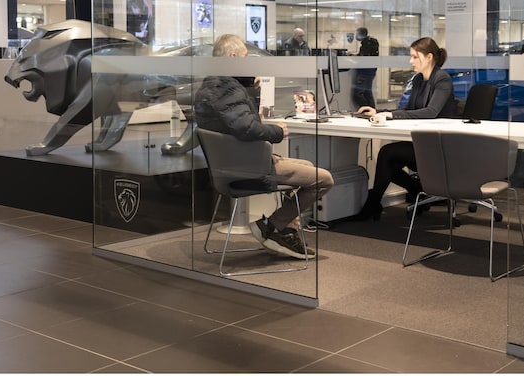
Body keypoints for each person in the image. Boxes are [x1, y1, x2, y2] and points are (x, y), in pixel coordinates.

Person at [194, 34, 334, 259]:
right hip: (247, 167)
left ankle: (284, 230)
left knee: (307, 167)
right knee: (324, 180)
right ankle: (273, 226)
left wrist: (250, 85)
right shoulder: (227, 89)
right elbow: (247, 128)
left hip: (233, 162)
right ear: (233, 57)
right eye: (245, 58)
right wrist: (278, 132)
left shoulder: (212, 85)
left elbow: (240, 119)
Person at [352, 36, 457, 221]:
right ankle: (410, 193)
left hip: (439, 145)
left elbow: (431, 112)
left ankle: (375, 203)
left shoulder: (442, 79)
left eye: (415, 57)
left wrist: (392, 115)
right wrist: (379, 112)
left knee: (387, 154)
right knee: (388, 159)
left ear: (429, 57)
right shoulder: (418, 80)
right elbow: (407, 109)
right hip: (422, 141)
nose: (411, 61)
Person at [351, 27, 379, 109]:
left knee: (357, 94)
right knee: (367, 93)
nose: (356, 36)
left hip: (364, 72)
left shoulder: (367, 44)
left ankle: (366, 110)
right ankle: (372, 110)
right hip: (371, 71)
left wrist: (354, 58)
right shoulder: (372, 42)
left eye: (357, 33)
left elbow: (363, 58)